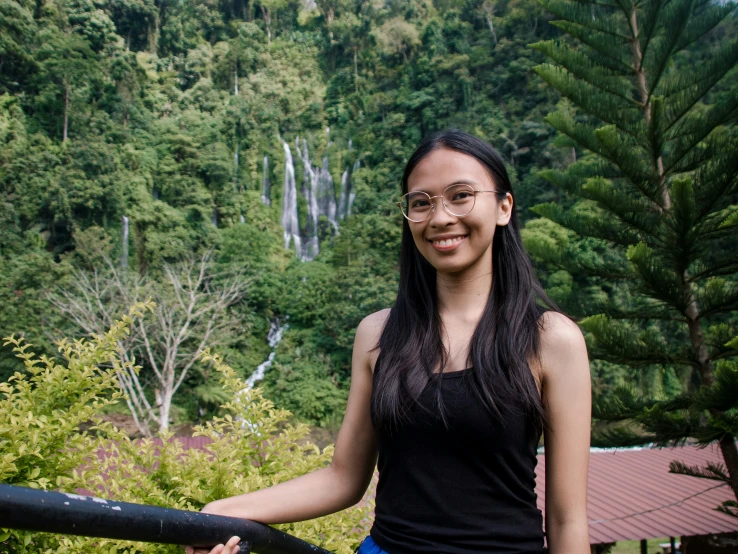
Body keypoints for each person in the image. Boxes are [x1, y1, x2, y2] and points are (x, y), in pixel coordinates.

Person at [186, 130, 591, 554]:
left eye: (460, 196)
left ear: (504, 207)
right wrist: (219, 512)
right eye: (421, 202)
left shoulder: (551, 340)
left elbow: (567, 519)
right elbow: (343, 478)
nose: (439, 218)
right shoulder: (378, 335)